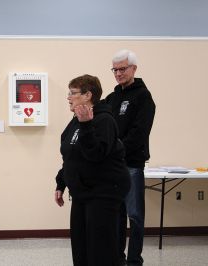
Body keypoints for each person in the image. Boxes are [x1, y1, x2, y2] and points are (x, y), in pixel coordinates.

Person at [55, 74, 130, 266]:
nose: (69, 97)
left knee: (101, 251)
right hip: (82, 194)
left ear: (88, 95)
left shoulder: (104, 120)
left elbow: (96, 154)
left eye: (73, 93)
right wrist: (61, 183)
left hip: (103, 193)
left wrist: (86, 125)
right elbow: (70, 156)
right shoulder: (75, 121)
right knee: (81, 248)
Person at [106, 49, 156, 266]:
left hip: (132, 165)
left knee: (134, 217)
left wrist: (116, 149)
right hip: (113, 166)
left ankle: (135, 260)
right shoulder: (112, 97)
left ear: (134, 68)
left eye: (122, 69)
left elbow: (139, 133)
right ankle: (118, 258)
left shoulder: (143, 96)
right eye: (115, 70)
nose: (118, 73)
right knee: (117, 215)